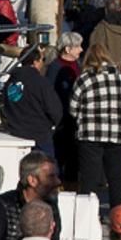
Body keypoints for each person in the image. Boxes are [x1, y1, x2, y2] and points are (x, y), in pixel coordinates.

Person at [69, 42, 121, 207]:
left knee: (90, 177)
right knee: (116, 176)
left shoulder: (84, 78)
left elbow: (73, 107)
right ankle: (119, 213)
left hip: (91, 133)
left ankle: (87, 214)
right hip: (117, 132)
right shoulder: (119, 76)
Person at [0, 150, 63, 240]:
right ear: (32, 180)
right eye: (51, 176)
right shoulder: (3, 205)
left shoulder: (51, 206)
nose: (58, 181)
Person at [0, 45, 63, 157]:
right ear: (35, 62)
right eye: (42, 60)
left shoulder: (10, 82)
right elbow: (55, 110)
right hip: (39, 136)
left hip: (14, 134)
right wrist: (52, 125)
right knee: (46, 170)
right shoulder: (40, 82)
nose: (43, 63)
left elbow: (5, 106)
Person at [46, 31, 83, 183]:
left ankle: (72, 185)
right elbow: (50, 93)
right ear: (68, 49)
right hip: (61, 119)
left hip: (75, 119)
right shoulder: (55, 68)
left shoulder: (78, 66)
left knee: (74, 157)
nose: (81, 49)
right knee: (60, 155)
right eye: (77, 46)